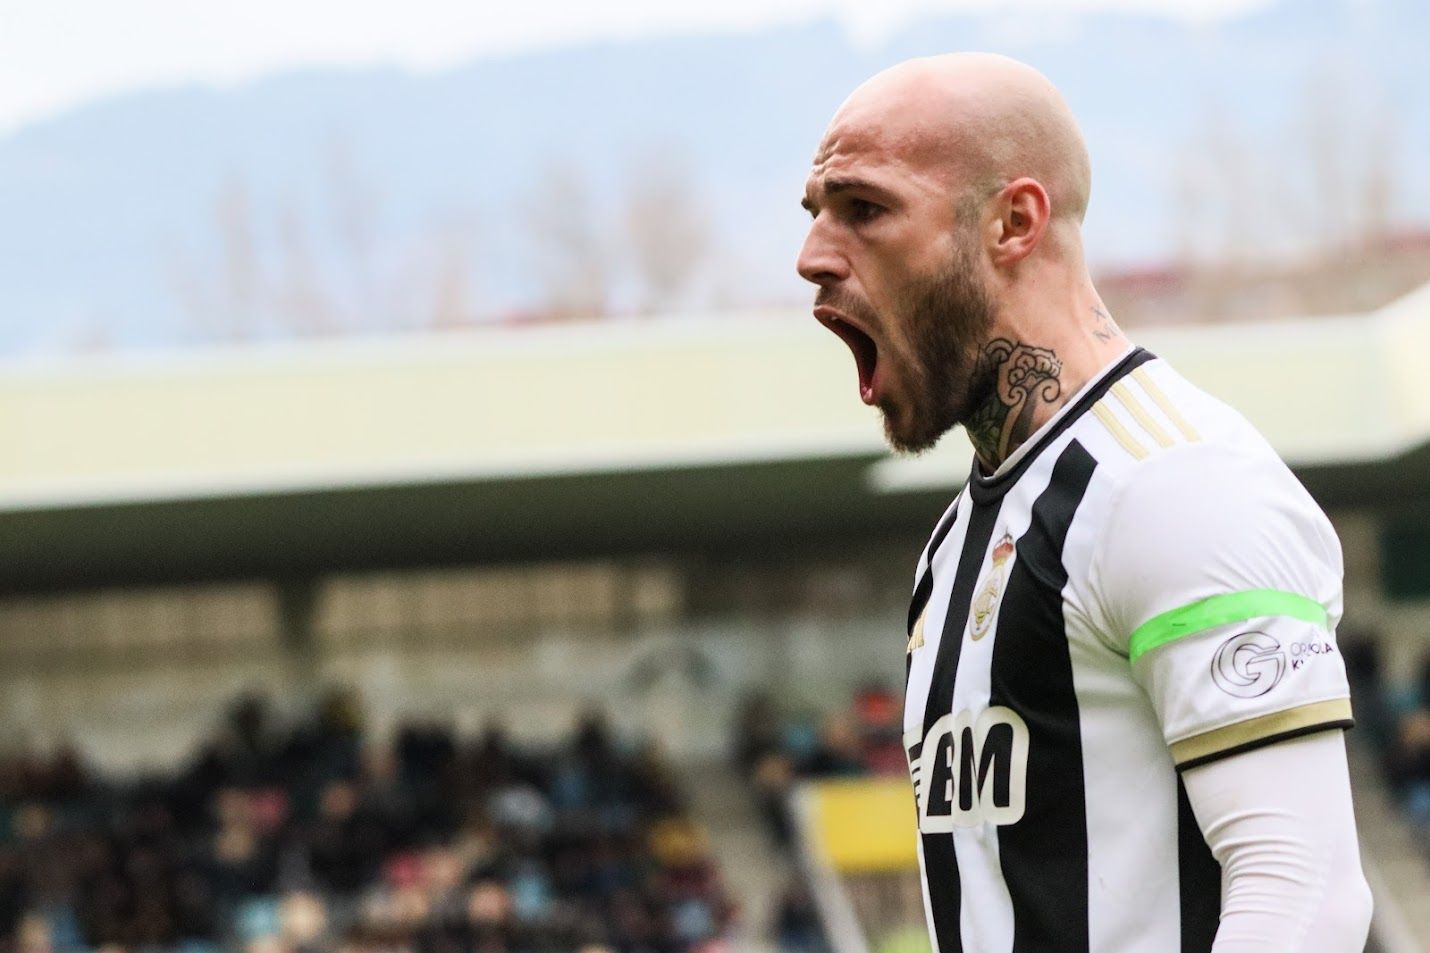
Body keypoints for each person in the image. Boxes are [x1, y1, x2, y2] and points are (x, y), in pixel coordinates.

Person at [795, 53, 1372, 952]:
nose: (813, 258)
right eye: (815, 214)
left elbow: (1306, 900)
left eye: (864, 209)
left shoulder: (1175, 484)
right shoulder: (957, 542)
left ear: (1014, 222)